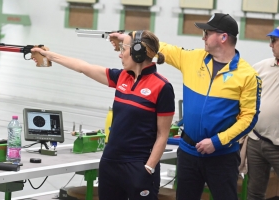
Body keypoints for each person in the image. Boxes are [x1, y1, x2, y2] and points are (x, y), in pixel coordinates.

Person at [109, 13, 261, 200]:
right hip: (188, 154)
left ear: (223, 37)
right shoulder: (193, 59)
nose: (203, 37)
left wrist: (216, 142)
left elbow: (249, 118)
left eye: (207, 32)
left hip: (222, 157)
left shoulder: (247, 75)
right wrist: (128, 37)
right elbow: (158, 47)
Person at [31, 30, 175, 200]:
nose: (120, 54)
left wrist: (149, 168)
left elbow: (162, 135)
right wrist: (48, 55)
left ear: (138, 52)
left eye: (124, 48)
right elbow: (83, 67)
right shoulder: (122, 77)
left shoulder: (162, 87)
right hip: (110, 163)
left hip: (138, 165)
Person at [246, 27, 279, 200]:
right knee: (254, 192)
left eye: (274, 41)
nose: (270, 45)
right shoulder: (261, 67)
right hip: (256, 139)